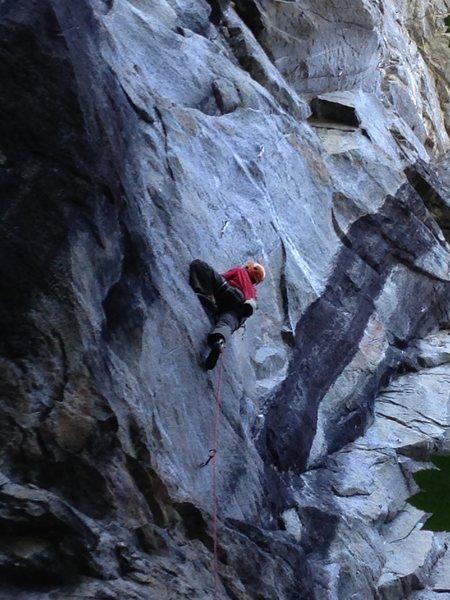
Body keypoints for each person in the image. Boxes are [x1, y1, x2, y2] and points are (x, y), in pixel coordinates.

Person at [189, 259, 265, 369]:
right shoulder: (253, 292)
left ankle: (209, 296)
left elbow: (223, 277)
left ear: (248, 268)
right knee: (227, 324)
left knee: (198, 265)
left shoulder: (240, 271)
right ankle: (219, 341)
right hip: (239, 307)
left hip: (227, 291)